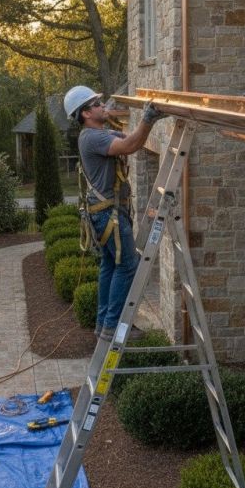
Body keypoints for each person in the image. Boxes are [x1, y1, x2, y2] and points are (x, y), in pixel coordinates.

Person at [63, 86, 165, 342]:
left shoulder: (98, 132)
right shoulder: (92, 138)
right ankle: (114, 327)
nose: (102, 105)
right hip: (109, 215)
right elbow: (130, 145)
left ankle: (103, 324)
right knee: (128, 267)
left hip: (105, 212)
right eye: (96, 104)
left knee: (110, 266)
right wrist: (148, 119)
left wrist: (137, 120)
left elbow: (126, 135)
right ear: (85, 113)